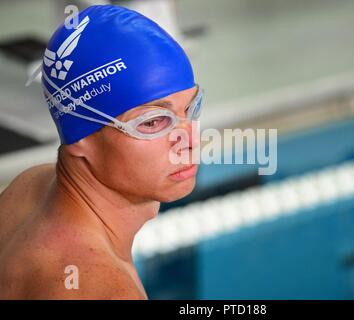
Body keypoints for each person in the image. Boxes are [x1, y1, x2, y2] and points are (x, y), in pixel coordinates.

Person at [0, 4, 203, 299]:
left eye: (191, 108)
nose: (191, 141)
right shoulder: (104, 289)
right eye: (153, 122)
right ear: (81, 139)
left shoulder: (28, 187)